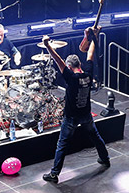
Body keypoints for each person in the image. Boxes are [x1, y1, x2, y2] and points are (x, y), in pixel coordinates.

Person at [42, 29, 110, 183]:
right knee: (95, 136)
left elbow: (57, 59)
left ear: (69, 66)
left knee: (62, 144)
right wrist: (94, 37)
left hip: (71, 117)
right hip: (86, 115)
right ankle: (104, 157)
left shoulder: (71, 77)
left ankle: (54, 174)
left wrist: (47, 45)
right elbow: (90, 54)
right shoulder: (87, 73)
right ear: (79, 64)